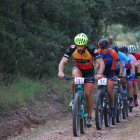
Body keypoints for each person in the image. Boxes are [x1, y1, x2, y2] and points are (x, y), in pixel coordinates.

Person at [58, 33, 105, 127]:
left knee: (88, 94)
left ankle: (89, 117)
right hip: (78, 68)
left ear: (86, 44)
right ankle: (73, 98)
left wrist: (99, 74)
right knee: (76, 78)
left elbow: (101, 63)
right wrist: (60, 72)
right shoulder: (71, 48)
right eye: (78, 45)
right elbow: (63, 61)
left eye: (82, 45)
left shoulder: (91, 49)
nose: (79, 47)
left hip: (89, 72)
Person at [97, 39, 123, 117]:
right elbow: (96, 64)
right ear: (100, 48)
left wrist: (121, 74)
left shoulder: (112, 52)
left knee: (109, 89)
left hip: (111, 72)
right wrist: (96, 73)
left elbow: (121, 65)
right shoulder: (98, 52)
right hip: (102, 71)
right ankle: (98, 102)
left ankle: (112, 105)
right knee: (98, 86)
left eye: (106, 47)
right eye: (102, 48)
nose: (104, 50)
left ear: (108, 46)